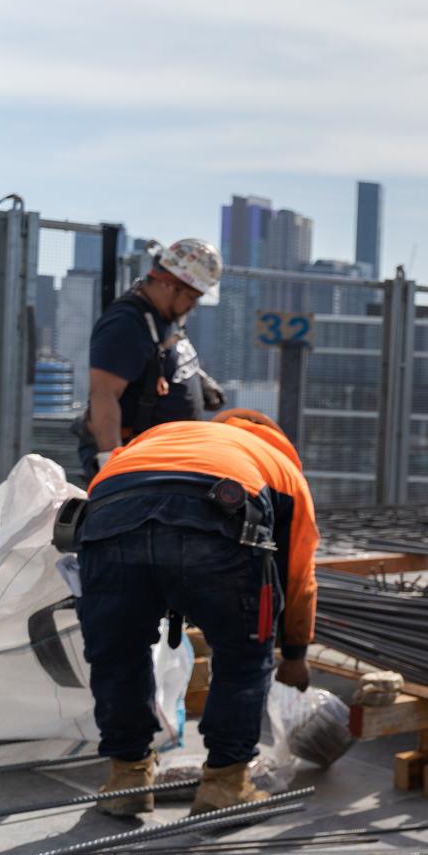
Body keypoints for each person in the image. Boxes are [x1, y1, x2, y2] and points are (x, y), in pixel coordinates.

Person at [75, 409, 318, 817]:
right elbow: (297, 578)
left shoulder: (163, 434)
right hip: (219, 515)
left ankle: (127, 777)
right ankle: (225, 784)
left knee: (118, 654)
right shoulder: (282, 468)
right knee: (242, 656)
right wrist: (295, 655)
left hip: (110, 513)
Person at [77, 238, 226, 484]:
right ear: (169, 285)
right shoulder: (126, 325)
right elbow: (103, 395)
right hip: (139, 463)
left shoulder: (164, 316)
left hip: (164, 459)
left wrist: (198, 381)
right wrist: (111, 464)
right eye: (192, 296)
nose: (193, 306)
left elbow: (162, 357)